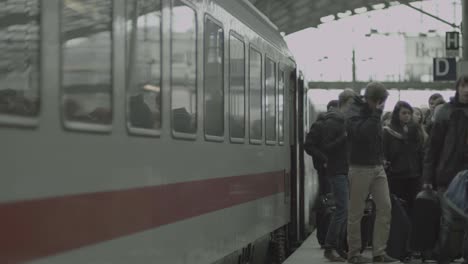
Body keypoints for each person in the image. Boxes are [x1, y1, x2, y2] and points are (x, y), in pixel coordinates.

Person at [345, 82, 397, 263]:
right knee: (356, 212)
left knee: (386, 208)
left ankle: (379, 252)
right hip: (359, 168)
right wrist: (376, 115)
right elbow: (362, 134)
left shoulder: (375, 112)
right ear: (374, 100)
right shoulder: (354, 111)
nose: (383, 106)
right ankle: (354, 253)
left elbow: (375, 138)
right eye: (382, 102)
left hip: (377, 167)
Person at [422, 75, 468, 264]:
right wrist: (427, 178)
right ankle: (443, 257)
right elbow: (433, 148)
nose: (467, 90)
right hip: (447, 176)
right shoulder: (445, 112)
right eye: (464, 85)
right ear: (457, 88)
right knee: (447, 223)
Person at [319, 91, 355, 262]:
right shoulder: (333, 121)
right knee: (342, 209)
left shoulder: (343, 121)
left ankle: (338, 247)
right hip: (337, 170)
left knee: (344, 209)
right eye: (353, 104)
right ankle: (330, 247)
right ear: (346, 103)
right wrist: (344, 137)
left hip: (343, 169)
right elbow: (326, 146)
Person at [383, 101, 423, 214]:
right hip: (396, 176)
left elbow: (419, 152)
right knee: (398, 209)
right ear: (397, 114)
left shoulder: (414, 130)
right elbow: (384, 153)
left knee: (414, 208)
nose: (407, 116)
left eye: (409, 113)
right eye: (404, 113)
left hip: (414, 176)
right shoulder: (388, 131)